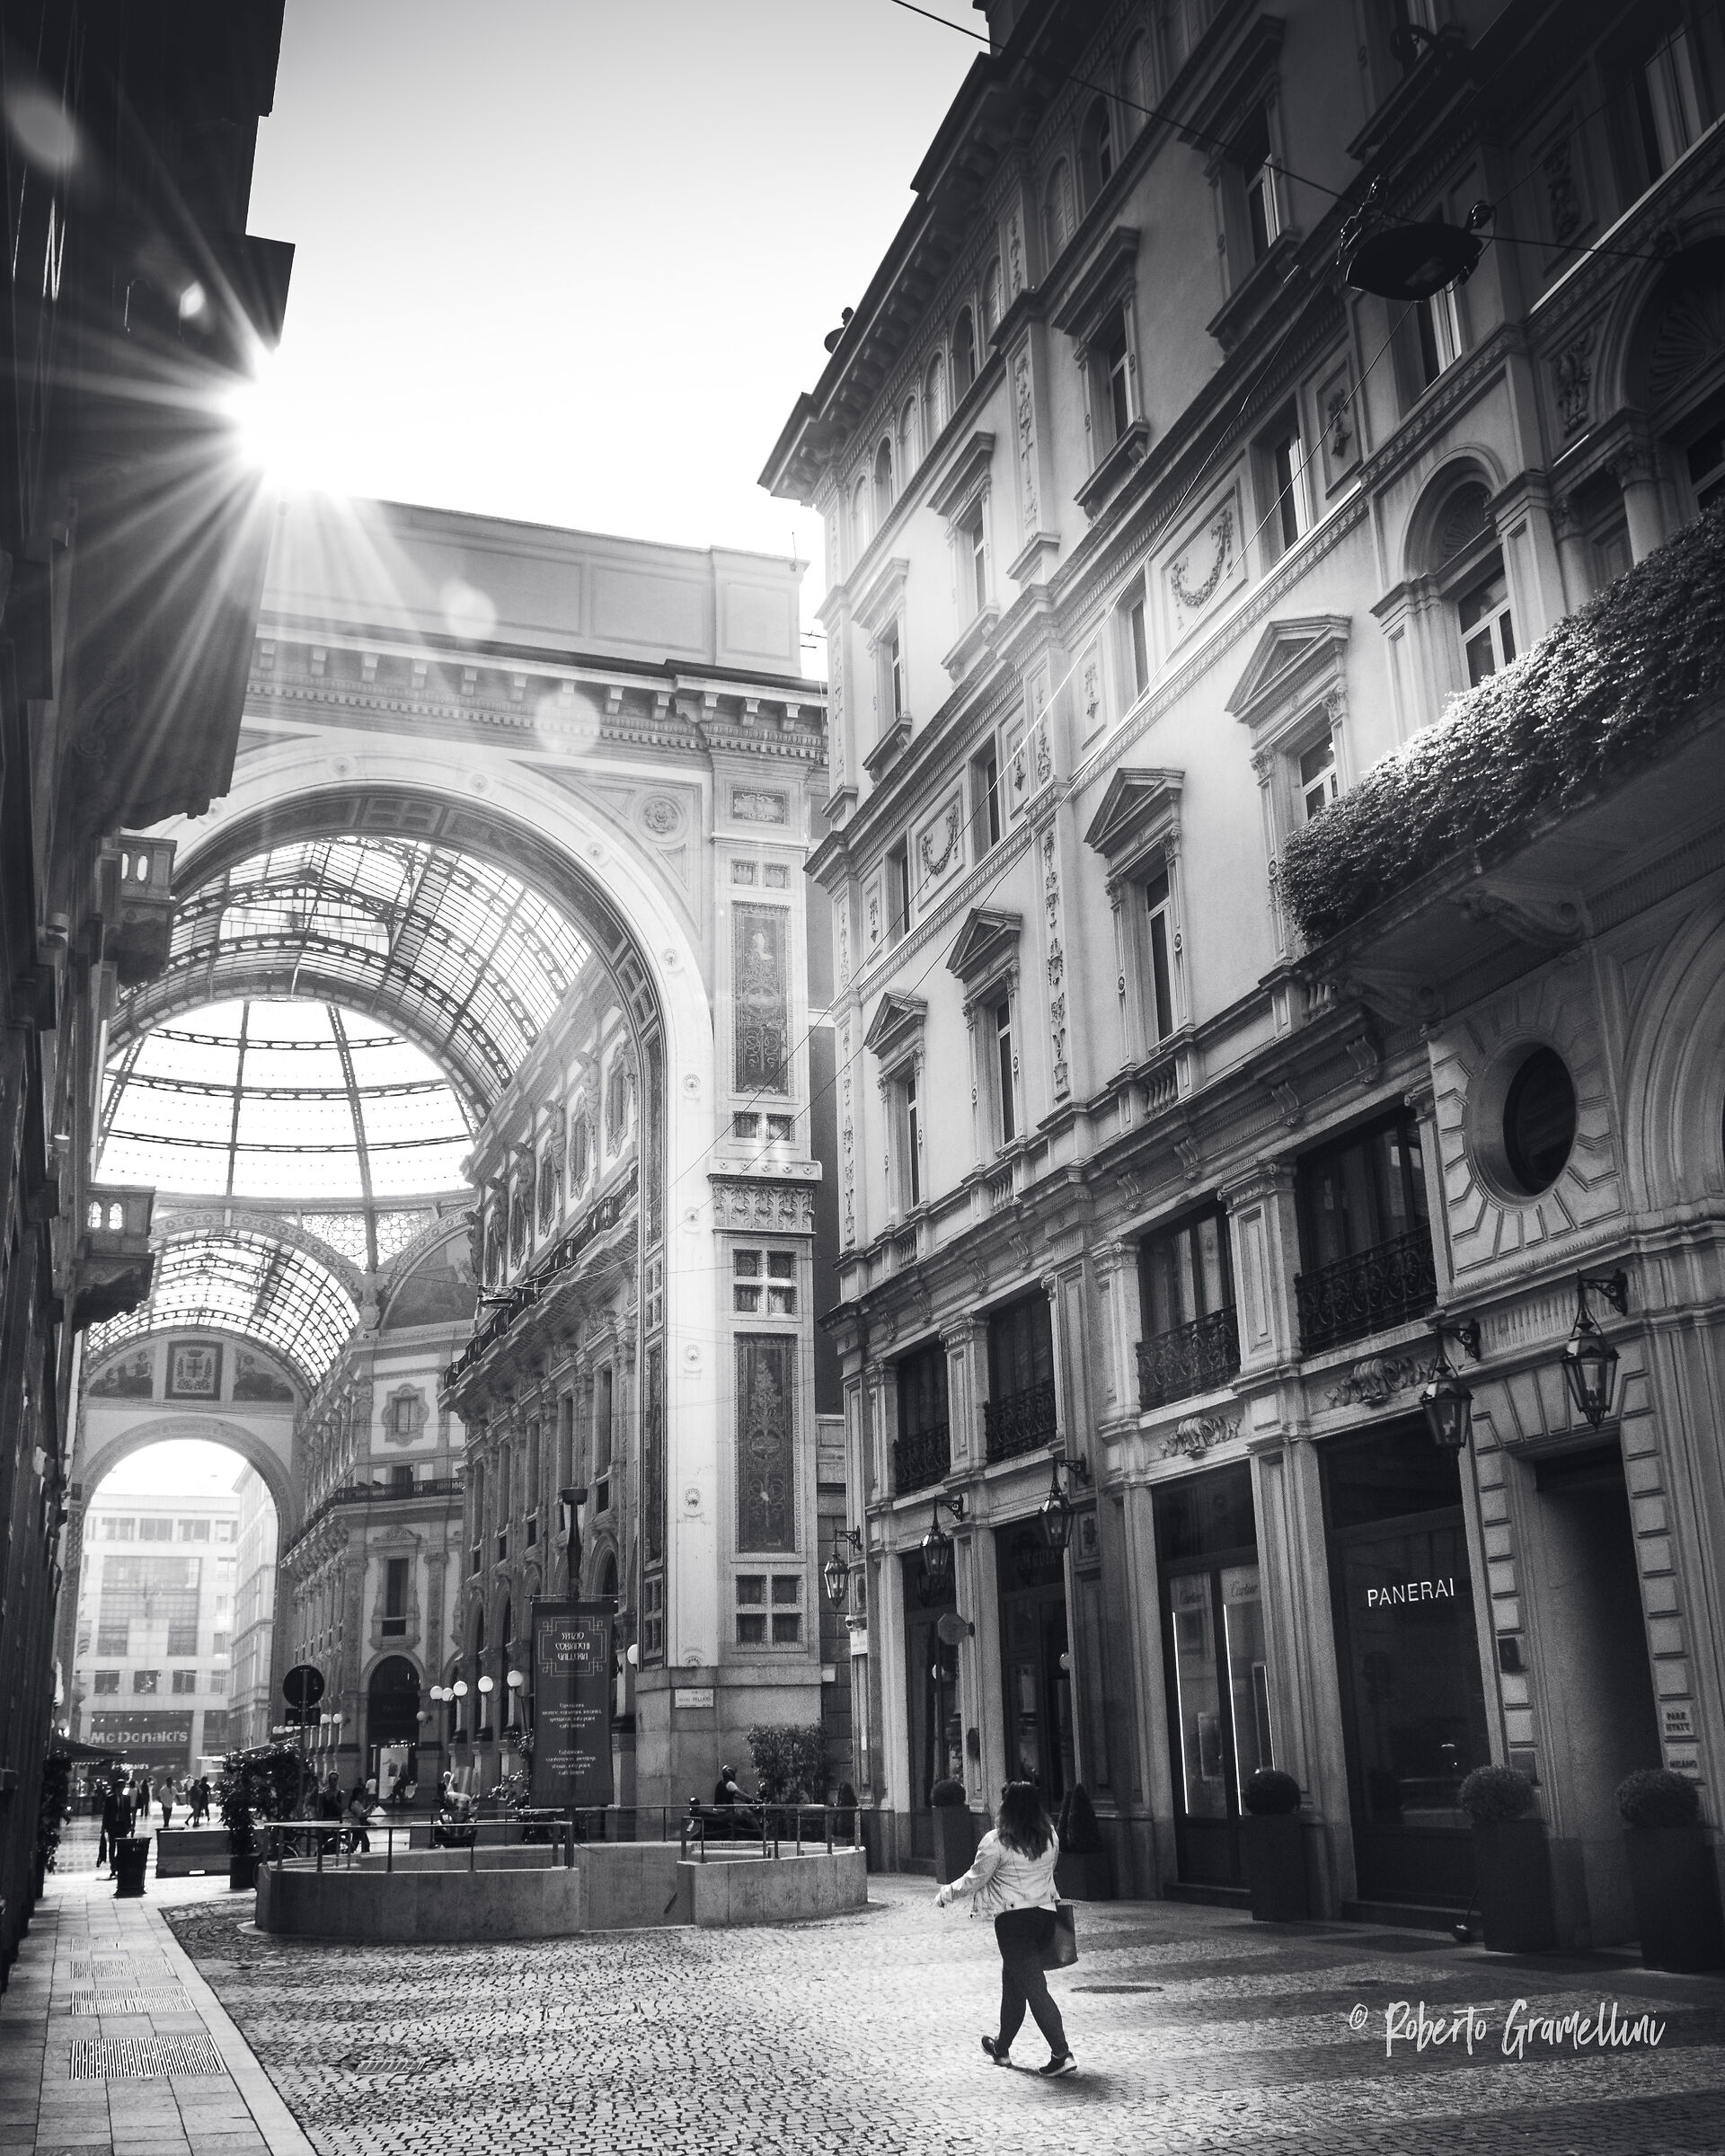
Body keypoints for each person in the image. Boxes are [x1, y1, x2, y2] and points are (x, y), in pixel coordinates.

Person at [936, 1781, 1076, 2078]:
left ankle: (1062, 2053)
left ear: (1007, 1807)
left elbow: (975, 1878)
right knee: (1014, 1985)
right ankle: (1001, 2048)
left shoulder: (997, 1841)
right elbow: (1049, 1872)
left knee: (1035, 1989)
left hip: (1014, 1924)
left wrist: (947, 1893)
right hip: (1044, 1917)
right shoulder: (1049, 1836)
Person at [345, 1777, 373, 1853]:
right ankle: (362, 1855)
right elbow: (361, 1814)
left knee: (356, 1842)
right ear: (358, 1794)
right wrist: (369, 1808)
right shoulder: (356, 1803)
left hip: (357, 1827)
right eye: (362, 1794)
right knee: (364, 1843)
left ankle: (349, 1853)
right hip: (358, 1826)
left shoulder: (356, 1803)